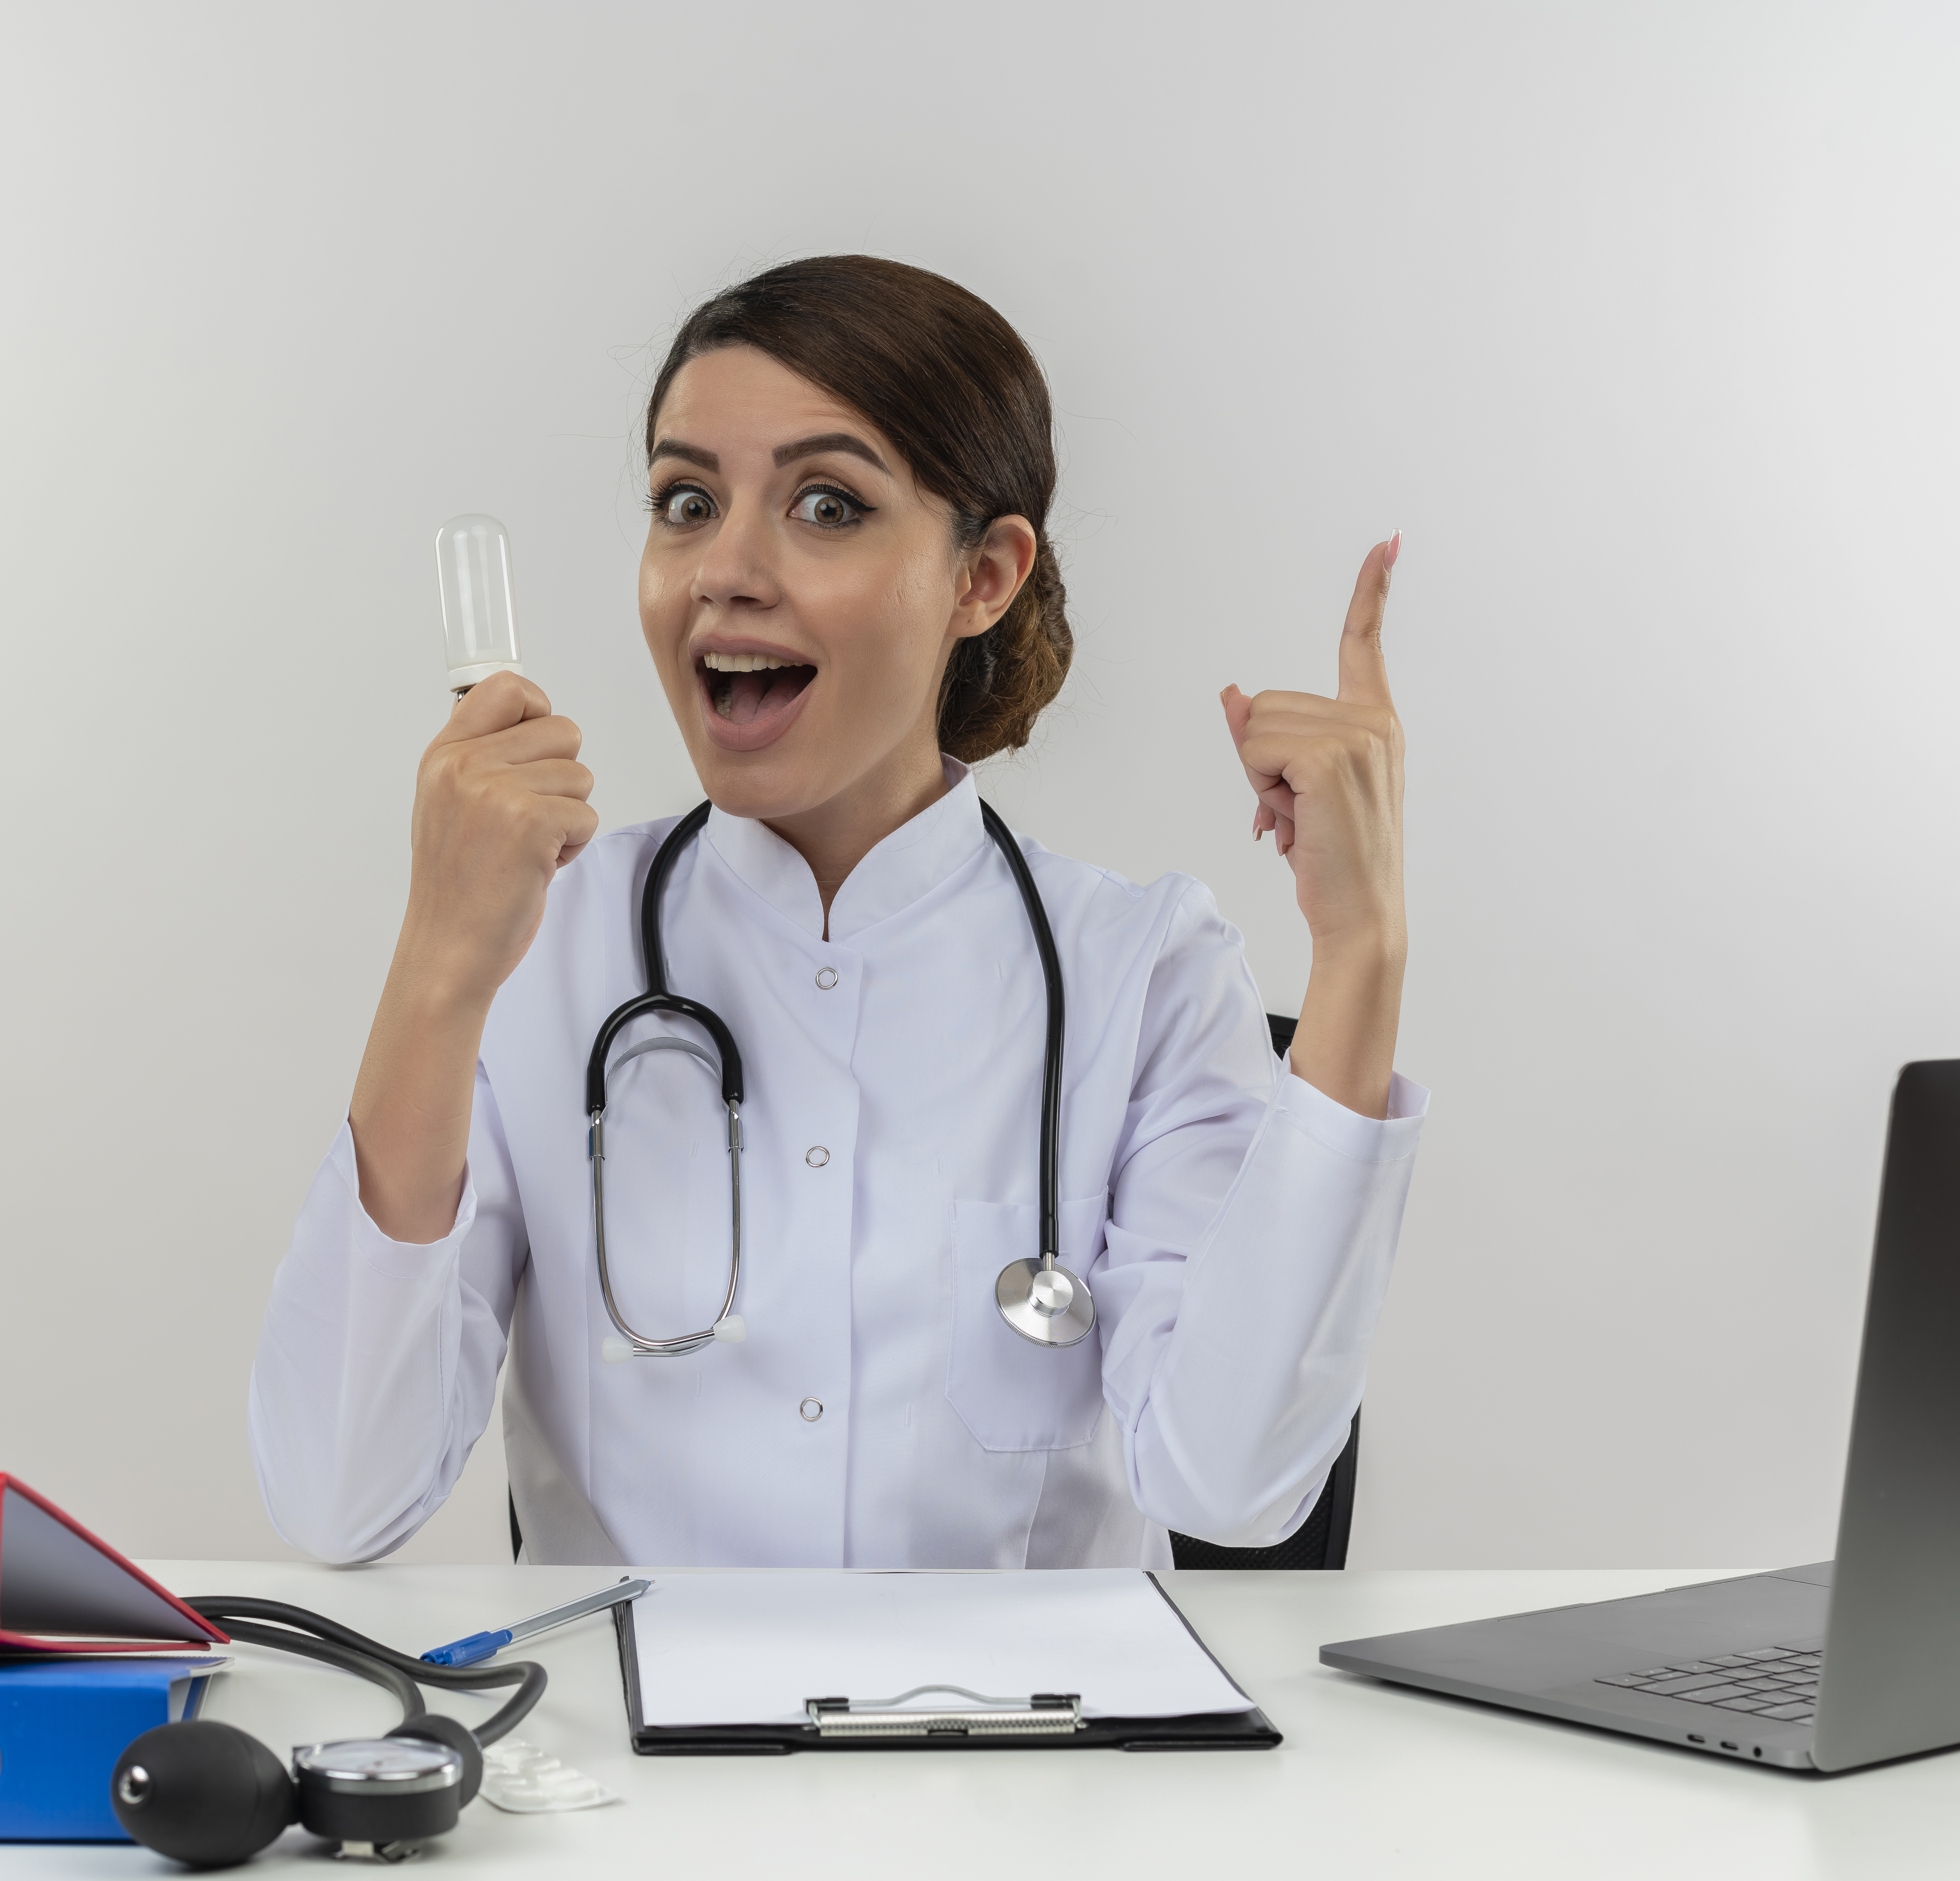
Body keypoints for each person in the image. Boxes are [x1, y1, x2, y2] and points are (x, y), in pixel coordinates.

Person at [251, 256, 1424, 1568]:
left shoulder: (1138, 968)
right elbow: (338, 1499)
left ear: (983, 576)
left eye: (825, 504)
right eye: (684, 502)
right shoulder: (543, 946)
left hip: (1034, 1762)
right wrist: (437, 973)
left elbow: (1231, 1485)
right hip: (637, 1760)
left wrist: (1359, 954)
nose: (725, 570)